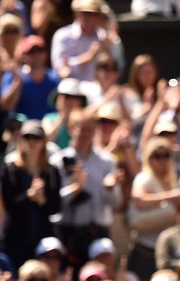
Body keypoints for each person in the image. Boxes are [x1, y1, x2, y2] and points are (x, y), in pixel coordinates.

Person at [50, 109, 123, 271]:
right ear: (71, 129)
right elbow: (52, 204)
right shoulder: (58, 161)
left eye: (90, 129)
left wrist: (109, 188)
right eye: (82, 129)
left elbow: (116, 204)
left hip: (97, 234)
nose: (86, 134)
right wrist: (75, 190)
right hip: (67, 234)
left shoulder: (107, 162)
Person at [0, 120, 62, 268]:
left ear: (44, 142)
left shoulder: (52, 172)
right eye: (27, 137)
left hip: (43, 241)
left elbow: (56, 208)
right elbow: (9, 206)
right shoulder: (10, 170)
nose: (31, 142)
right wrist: (29, 196)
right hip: (16, 240)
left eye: (36, 138)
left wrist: (42, 200)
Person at [129, 137, 180, 281]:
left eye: (166, 155)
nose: (162, 159)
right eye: (157, 155)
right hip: (145, 248)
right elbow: (139, 200)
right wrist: (169, 195)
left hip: (165, 248)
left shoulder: (169, 179)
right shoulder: (145, 178)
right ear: (149, 158)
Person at [2, 35, 60, 120]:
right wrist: (18, 81)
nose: (36, 55)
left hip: (48, 125)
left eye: (40, 50)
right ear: (23, 55)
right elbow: (7, 107)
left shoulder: (54, 78)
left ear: (46, 53)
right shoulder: (12, 75)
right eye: (32, 51)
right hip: (22, 126)